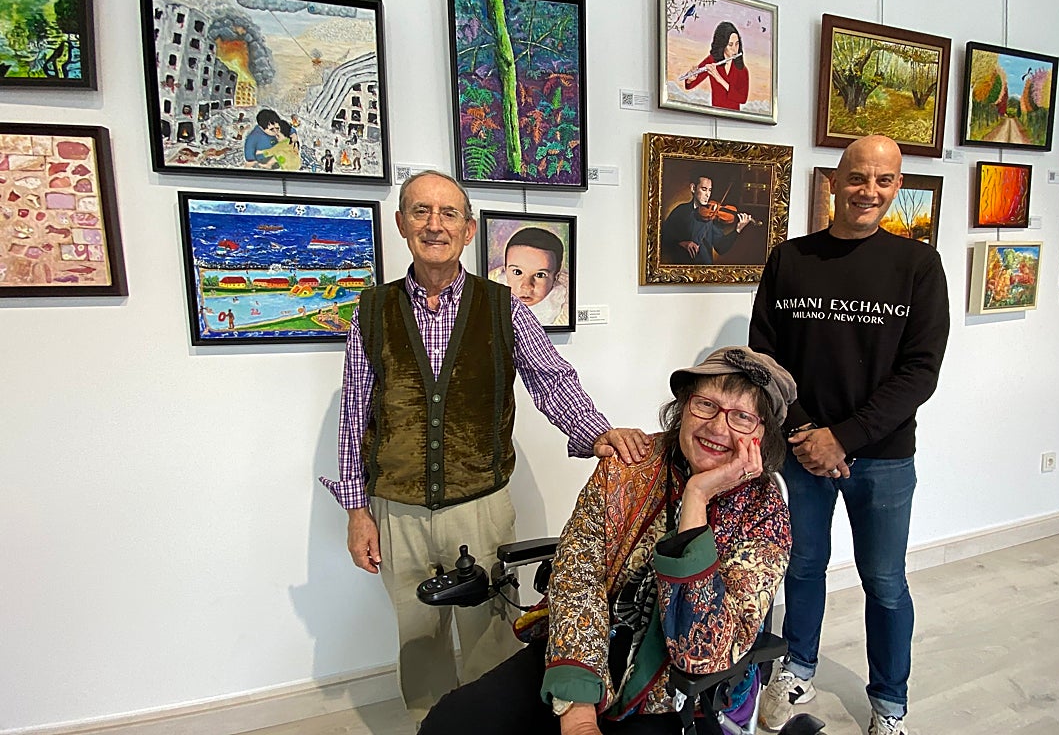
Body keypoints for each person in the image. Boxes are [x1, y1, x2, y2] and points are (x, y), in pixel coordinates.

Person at [320, 170, 650, 731]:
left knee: (489, 638)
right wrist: (356, 510)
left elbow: (551, 380)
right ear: (401, 224)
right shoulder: (370, 312)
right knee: (418, 638)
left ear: (469, 229)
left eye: (448, 213)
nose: (434, 224)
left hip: (482, 506)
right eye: (420, 211)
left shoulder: (504, 307)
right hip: (395, 509)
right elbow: (356, 414)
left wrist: (597, 434)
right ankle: (432, 726)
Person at [419, 346, 795, 735]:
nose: (718, 428)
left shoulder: (764, 515)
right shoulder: (629, 464)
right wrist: (578, 712)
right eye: (705, 405)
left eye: (742, 418)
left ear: (763, 436)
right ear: (683, 408)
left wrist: (696, 499)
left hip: (670, 692)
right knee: (450, 722)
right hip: (580, 645)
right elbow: (576, 575)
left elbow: (701, 655)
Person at [749, 135, 950, 735]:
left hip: (883, 457)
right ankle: (797, 669)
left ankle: (889, 704)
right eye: (858, 178)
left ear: (897, 188)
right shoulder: (790, 259)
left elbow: (921, 372)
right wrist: (809, 432)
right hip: (802, 451)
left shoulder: (918, 266)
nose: (869, 191)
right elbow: (766, 357)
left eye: (884, 181)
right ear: (833, 183)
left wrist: (846, 437)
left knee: (885, 583)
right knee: (803, 567)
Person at [660, 174, 752, 265]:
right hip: (681, 267)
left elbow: (721, 248)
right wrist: (682, 243)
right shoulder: (680, 211)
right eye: (704, 189)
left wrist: (737, 229)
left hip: (704, 268)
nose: (708, 194)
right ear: (693, 188)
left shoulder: (713, 216)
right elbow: (663, 238)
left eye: (710, 190)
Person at [488, 226, 570, 327]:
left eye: (540, 275)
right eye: (517, 272)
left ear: (555, 277)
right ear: (505, 270)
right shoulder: (492, 291)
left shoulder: (562, 302)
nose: (526, 286)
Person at [683, 21, 749, 111]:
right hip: (716, 113)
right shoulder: (712, 61)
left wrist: (719, 78)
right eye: (730, 45)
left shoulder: (742, 70)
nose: (735, 49)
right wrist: (690, 79)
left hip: (734, 117)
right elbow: (690, 85)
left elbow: (742, 99)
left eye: (737, 44)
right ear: (722, 44)